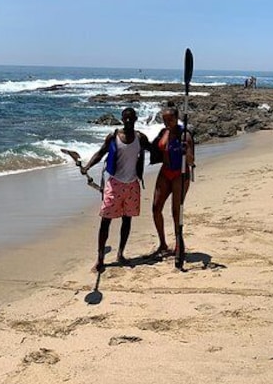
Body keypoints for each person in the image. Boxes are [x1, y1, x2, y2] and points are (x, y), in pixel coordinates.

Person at [81, 107, 152, 273]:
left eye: (131, 118)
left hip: (133, 185)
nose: (128, 121)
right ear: (122, 119)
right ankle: (100, 259)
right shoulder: (114, 137)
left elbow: (154, 149)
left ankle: (120, 253)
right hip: (115, 184)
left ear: (135, 119)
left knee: (127, 220)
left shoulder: (140, 138)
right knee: (105, 221)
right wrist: (87, 166)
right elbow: (100, 153)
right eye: (125, 118)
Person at [149, 103, 195, 264]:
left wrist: (185, 150)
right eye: (164, 120)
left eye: (170, 120)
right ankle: (162, 243)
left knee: (176, 212)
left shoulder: (185, 136)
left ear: (177, 119)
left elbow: (191, 161)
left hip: (180, 174)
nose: (167, 123)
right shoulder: (164, 132)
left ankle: (178, 244)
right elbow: (155, 148)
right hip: (165, 171)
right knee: (155, 208)